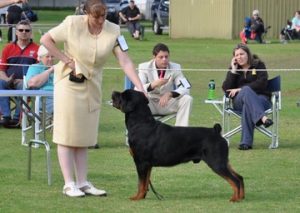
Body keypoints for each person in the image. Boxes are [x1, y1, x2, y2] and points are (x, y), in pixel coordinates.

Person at [40, 0, 145, 197]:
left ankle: (82, 182)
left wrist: (140, 87)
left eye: (103, 16)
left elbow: (124, 60)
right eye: (95, 17)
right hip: (68, 83)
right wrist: (66, 60)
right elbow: (46, 40)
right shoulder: (72, 23)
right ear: (86, 13)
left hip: (92, 86)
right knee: (66, 133)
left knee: (85, 135)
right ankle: (69, 183)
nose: (100, 21)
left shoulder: (114, 30)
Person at [222, 43, 273, 151]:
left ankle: (246, 143)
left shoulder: (259, 65)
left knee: (247, 102)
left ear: (248, 54)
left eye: (242, 54)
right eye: (236, 55)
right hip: (239, 102)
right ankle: (262, 118)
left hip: (262, 99)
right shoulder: (234, 69)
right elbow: (226, 89)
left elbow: (262, 83)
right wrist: (233, 71)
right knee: (246, 92)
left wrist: (241, 89)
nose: (239, 57)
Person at [138, 43, 193, 127]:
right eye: (161, 57)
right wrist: (152, 85)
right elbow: (137, 89)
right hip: (149, 104)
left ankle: (181, 133)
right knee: (138, 100)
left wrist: (170, 93)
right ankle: (140, 135)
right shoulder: (144, 67)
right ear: (154, 57)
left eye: (166, 57)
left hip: (167, 104)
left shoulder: (176, 67)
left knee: (187, 99)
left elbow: (186, 88)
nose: (164, 60)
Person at [0, 20, 39, 128]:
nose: (24, 32)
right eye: (21, 30)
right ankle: (6, 116)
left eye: (27, 30)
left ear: (31, 33)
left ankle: (17, 118)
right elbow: (1, 70)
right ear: (16, 32)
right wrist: (7, 79)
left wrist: (26, 80)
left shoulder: (37, 49)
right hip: (8, 80)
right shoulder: (8, 48)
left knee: (23, 86)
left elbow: (40, 71)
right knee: (0, 83)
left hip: (27, 82)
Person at [25, 45, 54, 114]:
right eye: (47, 56)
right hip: (44, 98)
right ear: (40, 58)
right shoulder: (34, 67)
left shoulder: (58, 68)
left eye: (52, 56)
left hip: (60, 95)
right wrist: (49, 71)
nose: (50, 59)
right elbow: (32, 83)